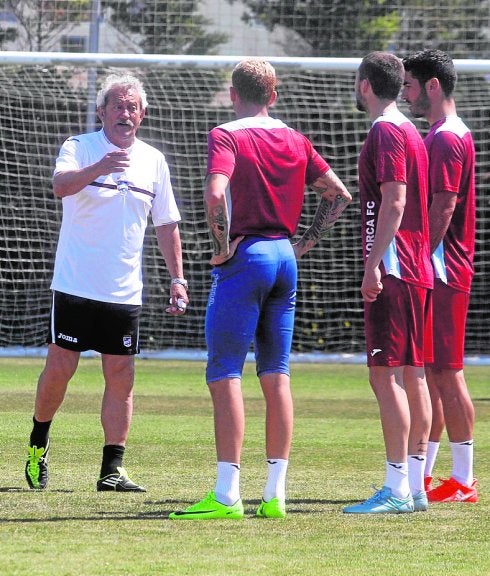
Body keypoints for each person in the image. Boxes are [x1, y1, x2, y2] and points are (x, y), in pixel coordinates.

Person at [170, 58, 351, 520]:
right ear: (274, 95)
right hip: (283, 259)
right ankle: (275, 496)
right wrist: (302, 244)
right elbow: (338, 194)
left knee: (224, 371)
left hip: (246, 257)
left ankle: (227, 494)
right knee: (277, 373)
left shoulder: (227, 134)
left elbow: (214, 193)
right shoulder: (296, 138)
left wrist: (219, 247)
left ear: (233, 94)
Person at [24, 73, 188, 492]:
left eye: (132, 106)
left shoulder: (154, 160)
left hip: (124, 290)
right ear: (101, 112)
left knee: (122, 376)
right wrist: (100, 167)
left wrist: (178, 279)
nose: (125, 112)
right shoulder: (80, 147)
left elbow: (167, 223)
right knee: (60, 369)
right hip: (76, 284)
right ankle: (37, 444)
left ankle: (111, 470)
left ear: (143, 114)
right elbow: (59, 186)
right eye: (117, 105)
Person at [343, 52, 433, 515]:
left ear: (364, 86)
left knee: (385, 376)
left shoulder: (386, 130)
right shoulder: (413, 130)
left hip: (396, 268)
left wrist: (373, 264)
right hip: (418, 266)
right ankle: (415, 486)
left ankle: (397, 488)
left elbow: (394, 203)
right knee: (414, 375)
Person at [402, 50, 477, 503]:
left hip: (444, 269)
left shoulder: (448, 138)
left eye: (410, 85)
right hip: (438, 267)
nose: (405, 93)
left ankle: (465, 480)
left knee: (448, 372)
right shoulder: (439, 134)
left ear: (433, 86)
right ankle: (426, 473)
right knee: (432, 372)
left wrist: (417, 255)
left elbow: (445, 205)